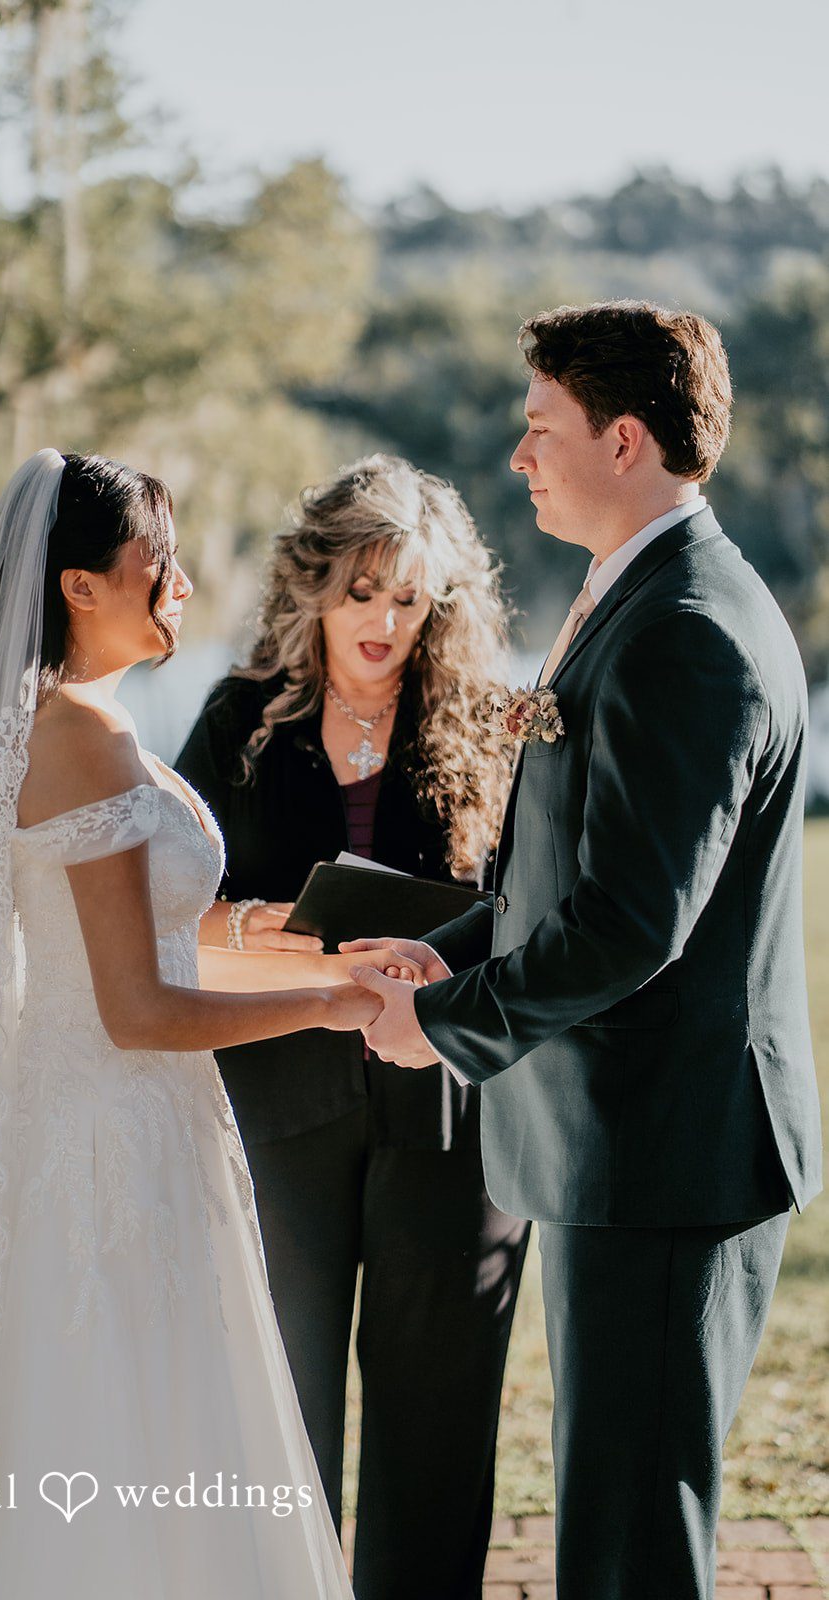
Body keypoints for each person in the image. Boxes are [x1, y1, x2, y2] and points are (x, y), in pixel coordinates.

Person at [0, 450, 418, 1600]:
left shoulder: (84, 724)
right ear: (79, 586)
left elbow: (160, 942)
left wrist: (326, 950)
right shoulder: (80, 738)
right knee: (114, 1432)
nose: (180, 582)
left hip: (123, 1132)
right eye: (157, 560)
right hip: (104, 1153)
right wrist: (334, 1007)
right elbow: (136, 1010)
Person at [346, 303, 823, 1600]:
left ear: (622, 440)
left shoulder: (687, 630)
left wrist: (443, 1025)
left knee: (630, 1540)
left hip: (670, 1151)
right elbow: (569, 870)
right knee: (612, 1513)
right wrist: (444, 954)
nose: (517, 457)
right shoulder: (639, 595)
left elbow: (630, 922)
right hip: (626, 1145)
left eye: (538, 427)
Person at [175, 453, 530, 1600]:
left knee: (437, 1420)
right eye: (361, 591)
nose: (382, 622)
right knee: (273, 1410)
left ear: (442, 602)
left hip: (450, 1114)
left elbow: (533, 912)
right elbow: (167, 917)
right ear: (314, 582)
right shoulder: (237, 721)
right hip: (275, 1110)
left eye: (408, 597)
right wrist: (296, 942)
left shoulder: (491, 725)